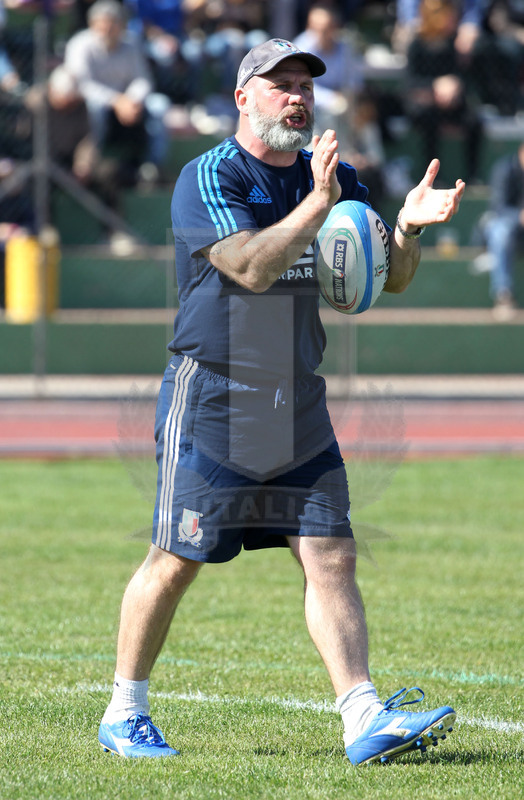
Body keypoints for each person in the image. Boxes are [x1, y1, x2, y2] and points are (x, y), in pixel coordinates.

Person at [98, 37, 465, 765]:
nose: (297, 96)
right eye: (280, 85)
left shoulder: (333, 175)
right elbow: (248, 266)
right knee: (175, 558)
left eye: (304, 84)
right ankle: (123, 712)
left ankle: (362, 714)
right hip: (215, 395)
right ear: (243, 98)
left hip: (296, 396)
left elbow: (388, 279)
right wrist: (319, 205)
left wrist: (409, 230)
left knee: (330, 555)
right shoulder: (210, 175)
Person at [64, 0, 170, 182]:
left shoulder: (131, 42)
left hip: (128, 103)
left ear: (121, 25)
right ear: (92, 24)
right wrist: (117, 100)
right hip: (96, 103)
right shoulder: (79, 44)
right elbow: (83, 85)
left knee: (160, 105)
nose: (108, 28)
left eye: (113, 23)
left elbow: (142, 79)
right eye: (103, 23)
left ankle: (154, 165)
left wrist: (131, 99)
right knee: (94, 107)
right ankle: (91, 162)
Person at [404, 0, 483, 183]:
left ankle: (472, 174)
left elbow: (462, 76)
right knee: (429, 119)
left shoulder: (451, 44)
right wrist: (434, 86)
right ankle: (432, 176)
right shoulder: (417, 45)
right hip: (424, 105)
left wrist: (455, 85)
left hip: (449, 103)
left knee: (473, 120)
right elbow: (411, 83)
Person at [475, 141, 524, 320]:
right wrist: (519, 215)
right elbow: (497, 207)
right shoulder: (504, 169)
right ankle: (504, 295)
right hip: (502, 225)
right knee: (502, 231)